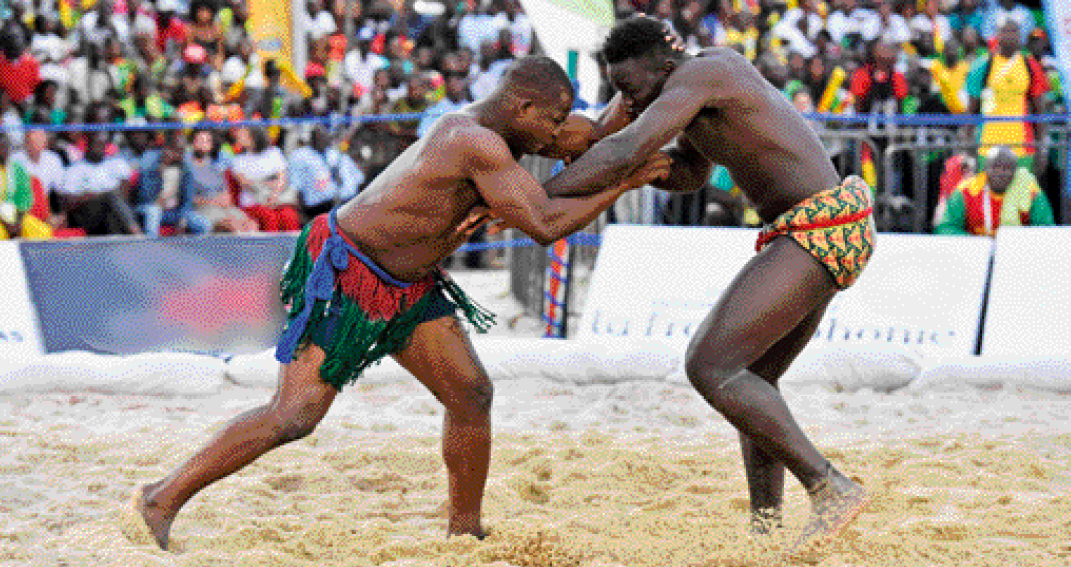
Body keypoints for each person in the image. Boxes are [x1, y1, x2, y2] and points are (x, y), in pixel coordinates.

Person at [132, 55, 669, 551]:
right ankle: (161, 498)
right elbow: (546, 224)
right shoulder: (471, 140)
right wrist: (628, 182)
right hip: (347, 271)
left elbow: (594, 134)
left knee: (471, 393)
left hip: (409, 286)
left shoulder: (513, 128)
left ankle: (465, 534)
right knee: (294, 416)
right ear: (522, 108)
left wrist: (638, 80)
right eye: (551, 121)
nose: (557, 135)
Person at [541, 16, 875, 551]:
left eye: (630, 87)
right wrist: (652, 169)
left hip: (820, 225)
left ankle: (829, 484)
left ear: (664, 67)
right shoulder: (694, 94)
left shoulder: (705, 73)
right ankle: (766, 532)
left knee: (709, 365)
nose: (625, 100)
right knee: (752, 383)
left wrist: (540, 197)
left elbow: (624, 148)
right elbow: (692, 173)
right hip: (815, 226)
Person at [934, 145, 1055, 236]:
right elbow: (946, 228)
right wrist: (977, 246)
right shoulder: (966, 191)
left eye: (1007, 168)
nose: (1000, 173)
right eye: (995, 167)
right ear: (986, 168)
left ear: (1015, 171)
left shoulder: (1031, 191)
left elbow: (1046, 230)